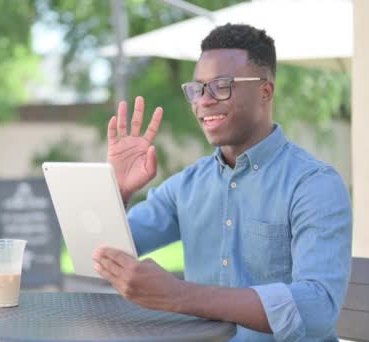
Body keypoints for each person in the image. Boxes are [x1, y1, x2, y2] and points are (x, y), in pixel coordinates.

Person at [92, 23, 352, 342]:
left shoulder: (314, 185)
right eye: (197, 88)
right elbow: (100, 256)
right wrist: (116, 192)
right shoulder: (186, 185)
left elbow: (317, 310)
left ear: (265, 91)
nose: (203, 100)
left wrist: (180, 296)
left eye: (220, 86)